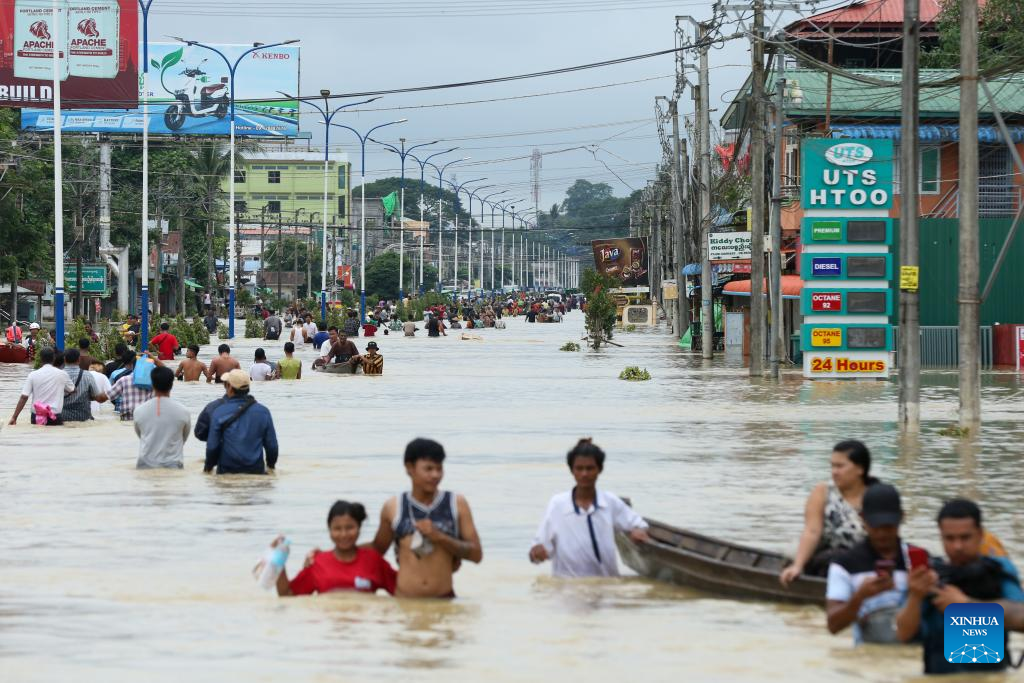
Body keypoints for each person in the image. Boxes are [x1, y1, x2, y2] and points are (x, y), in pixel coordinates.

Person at [896, 498, 1024, 674]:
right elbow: (904, 635)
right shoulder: (929, 578)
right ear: (940, 537)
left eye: (965, 537)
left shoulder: (997, 570)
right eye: (950, 538)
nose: (957, 546)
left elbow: (1021, 617)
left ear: (980, 535)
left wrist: (965, 606)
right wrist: (915, 596)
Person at [365, 438, 482, 598]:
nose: (435, 475)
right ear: (409, 468)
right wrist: (331, 554)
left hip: (443, 600)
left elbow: (477, 555)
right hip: (405, 601)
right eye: (428, 469)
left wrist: (439, 537)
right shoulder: (394, 507)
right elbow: (378, 548)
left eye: (439, 469)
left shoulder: (456, 504)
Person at [529, 439, 650, 577]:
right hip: (567, 589)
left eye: (590, 468)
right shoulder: (558, 504)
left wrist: (638, 531)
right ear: (572, 470)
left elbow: (638, 524)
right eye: (579, 468)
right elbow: (538, 550)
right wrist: (536, 554)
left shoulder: (609, 502)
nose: (584, 474)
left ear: (599, 469)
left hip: (606, 587)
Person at [826, 483, 921, 644]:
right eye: (876, 526)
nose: (882, 533)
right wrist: (860, 597)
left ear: (902, 518)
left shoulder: (918, 561)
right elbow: (833, 626)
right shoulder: (844, 565)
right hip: (867, 656)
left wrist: (919, 594)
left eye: (888, 526)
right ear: (862, 519)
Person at [780, 440, 875, 585]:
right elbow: (812, 531)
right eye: (832, 466)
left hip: (868, 560)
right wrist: (797, 566)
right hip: (829, 559)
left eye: (840, 466)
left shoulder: (877, 493)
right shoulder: (823, 492)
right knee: (835, 558)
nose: (834, 472)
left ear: (860, 468)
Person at [273, 501, 396, 597]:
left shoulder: (374, 561)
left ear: (359, 528)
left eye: (350, 528)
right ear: (329, 530)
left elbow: (404, 593)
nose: (343, 534)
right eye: (337, 528)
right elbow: (287, 595)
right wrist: (279, 558)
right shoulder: (318, 563)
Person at [204, 369, 278, 475]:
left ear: (229, 387)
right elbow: (272, 447)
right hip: (256, 472)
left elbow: (212, 447)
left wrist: (208, 469)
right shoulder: (263, 412)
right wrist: (270, 467)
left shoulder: (219, 412)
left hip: (226, 472)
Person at [132, 367, 191, 470]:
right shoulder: (183, 411)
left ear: (152, 384)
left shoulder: (139, 411)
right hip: (173, 465)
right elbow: (183, 438)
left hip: (144, 465)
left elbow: (141, 435)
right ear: (172, 384)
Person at [8, 347, 75, 425]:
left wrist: (14, 417)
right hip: (55, 417)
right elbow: (72, 390)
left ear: (40, 359)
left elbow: (24, 397)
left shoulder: (33, 375)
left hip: (36, 417)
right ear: (54, 358)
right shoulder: (62, 374)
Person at [59, 348, 106, 423]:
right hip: (84, 418)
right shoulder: (87, 375)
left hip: (62, 417)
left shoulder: (57, 375)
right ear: (79, 360)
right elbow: (98, 398)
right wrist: (109, 394)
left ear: (64, 360)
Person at [106, 352, 155, 421]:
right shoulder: (154, 381)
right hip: (146, 419)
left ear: (133, 366)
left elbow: (108, 396)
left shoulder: (124, 379)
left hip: (127, 417)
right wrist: (153, 358)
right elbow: (167, 373)